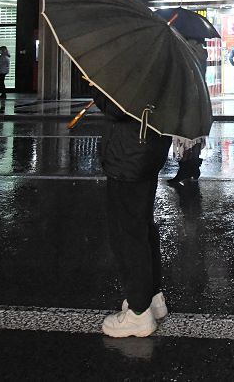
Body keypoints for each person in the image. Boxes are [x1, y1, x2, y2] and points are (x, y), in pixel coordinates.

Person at [93, 89, 172, 338]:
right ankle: (152, 295)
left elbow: (119, 105)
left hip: (129, 153)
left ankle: (138, 312)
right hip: (148, 149)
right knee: (142, 225)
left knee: (127, 232)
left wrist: (96, 88)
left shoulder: (139, 64)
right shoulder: (164, 60)